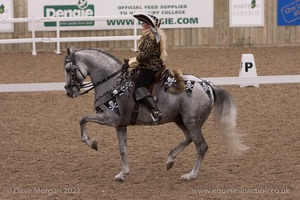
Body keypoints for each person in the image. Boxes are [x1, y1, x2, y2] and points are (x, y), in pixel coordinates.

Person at [127, 13, 167, 123]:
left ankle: (155, 112)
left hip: (151, 67)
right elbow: (145, 52)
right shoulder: (149, 35)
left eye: (143, 23)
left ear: (149, 25)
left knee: (139, 87)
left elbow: (146, 55)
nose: (141, 24)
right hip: (148, 64)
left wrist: (130, 62)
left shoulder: (151, 37)